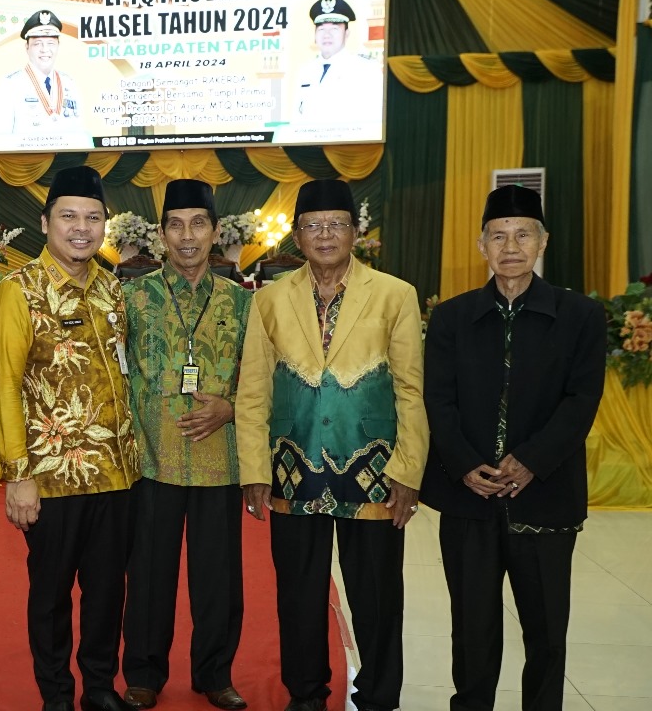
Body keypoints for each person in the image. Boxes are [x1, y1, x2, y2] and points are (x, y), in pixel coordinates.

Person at [235, 179, 428, 711]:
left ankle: (380, 696)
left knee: (378, 596)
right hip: (293, 470)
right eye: (313, 226)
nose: (324, 235)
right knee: (298, 594)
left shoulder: (395, 294)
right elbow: (252, 391)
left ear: (355, 231)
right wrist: (255, 469)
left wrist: (408, 470)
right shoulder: (270, 299)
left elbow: (412, 390)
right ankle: (306, 694)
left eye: (336, 224)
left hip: (372, 471)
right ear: (296, 235)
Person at [420, 186, 606, 711]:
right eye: (498, 236)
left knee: (546, 633)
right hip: (469, 500)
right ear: (481, 246)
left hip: (545, 499)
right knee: (472, 630)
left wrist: (531, 461)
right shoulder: (452, 318)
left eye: (523, 234)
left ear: (542, 242)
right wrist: (461, 465)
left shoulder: (580, 317)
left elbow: (580, 400)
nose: (511, 246)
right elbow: (439, 399)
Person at [0, 165, 140, 711]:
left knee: (107, 594)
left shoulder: (110, 288)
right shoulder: (17, 292)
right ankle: (56, 694)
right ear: (45, 220)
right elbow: (2, 387)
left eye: (93, 217)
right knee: (50, 597)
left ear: (105, 225)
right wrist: (18, 476)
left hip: (117, 475)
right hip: (51, 479)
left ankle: (99, 688)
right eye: (69, 216)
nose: (82, 228)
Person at [120, 179, 251, 711]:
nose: (187, 236)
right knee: (148, 573)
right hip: (152, 458)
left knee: (218, 575)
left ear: (216, 232)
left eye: (198, 223)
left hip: (220, 459)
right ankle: (145, 674)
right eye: (176, 225)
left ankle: (215, 673)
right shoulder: (132, 297)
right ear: (160, 234)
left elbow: (263, 378)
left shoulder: (243, 304)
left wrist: (232, 406)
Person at [0, 9, 93, 151]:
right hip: (27, 167)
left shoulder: (70, 83)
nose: (44, 50)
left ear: (58, 46)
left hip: (66, 167)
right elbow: (1, 140)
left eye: (51, 43)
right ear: (27, 47)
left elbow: (80, 132)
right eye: (37, 43)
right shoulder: (9, 84)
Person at [291, 0, 383, 127]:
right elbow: (296, 118)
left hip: (348, 145)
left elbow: (375, 118)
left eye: (334, 29)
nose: (326, 35)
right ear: (315, 35)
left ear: (347, 33)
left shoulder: (366, 69)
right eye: (321, 29)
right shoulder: (305, 72)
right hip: (308, 145)